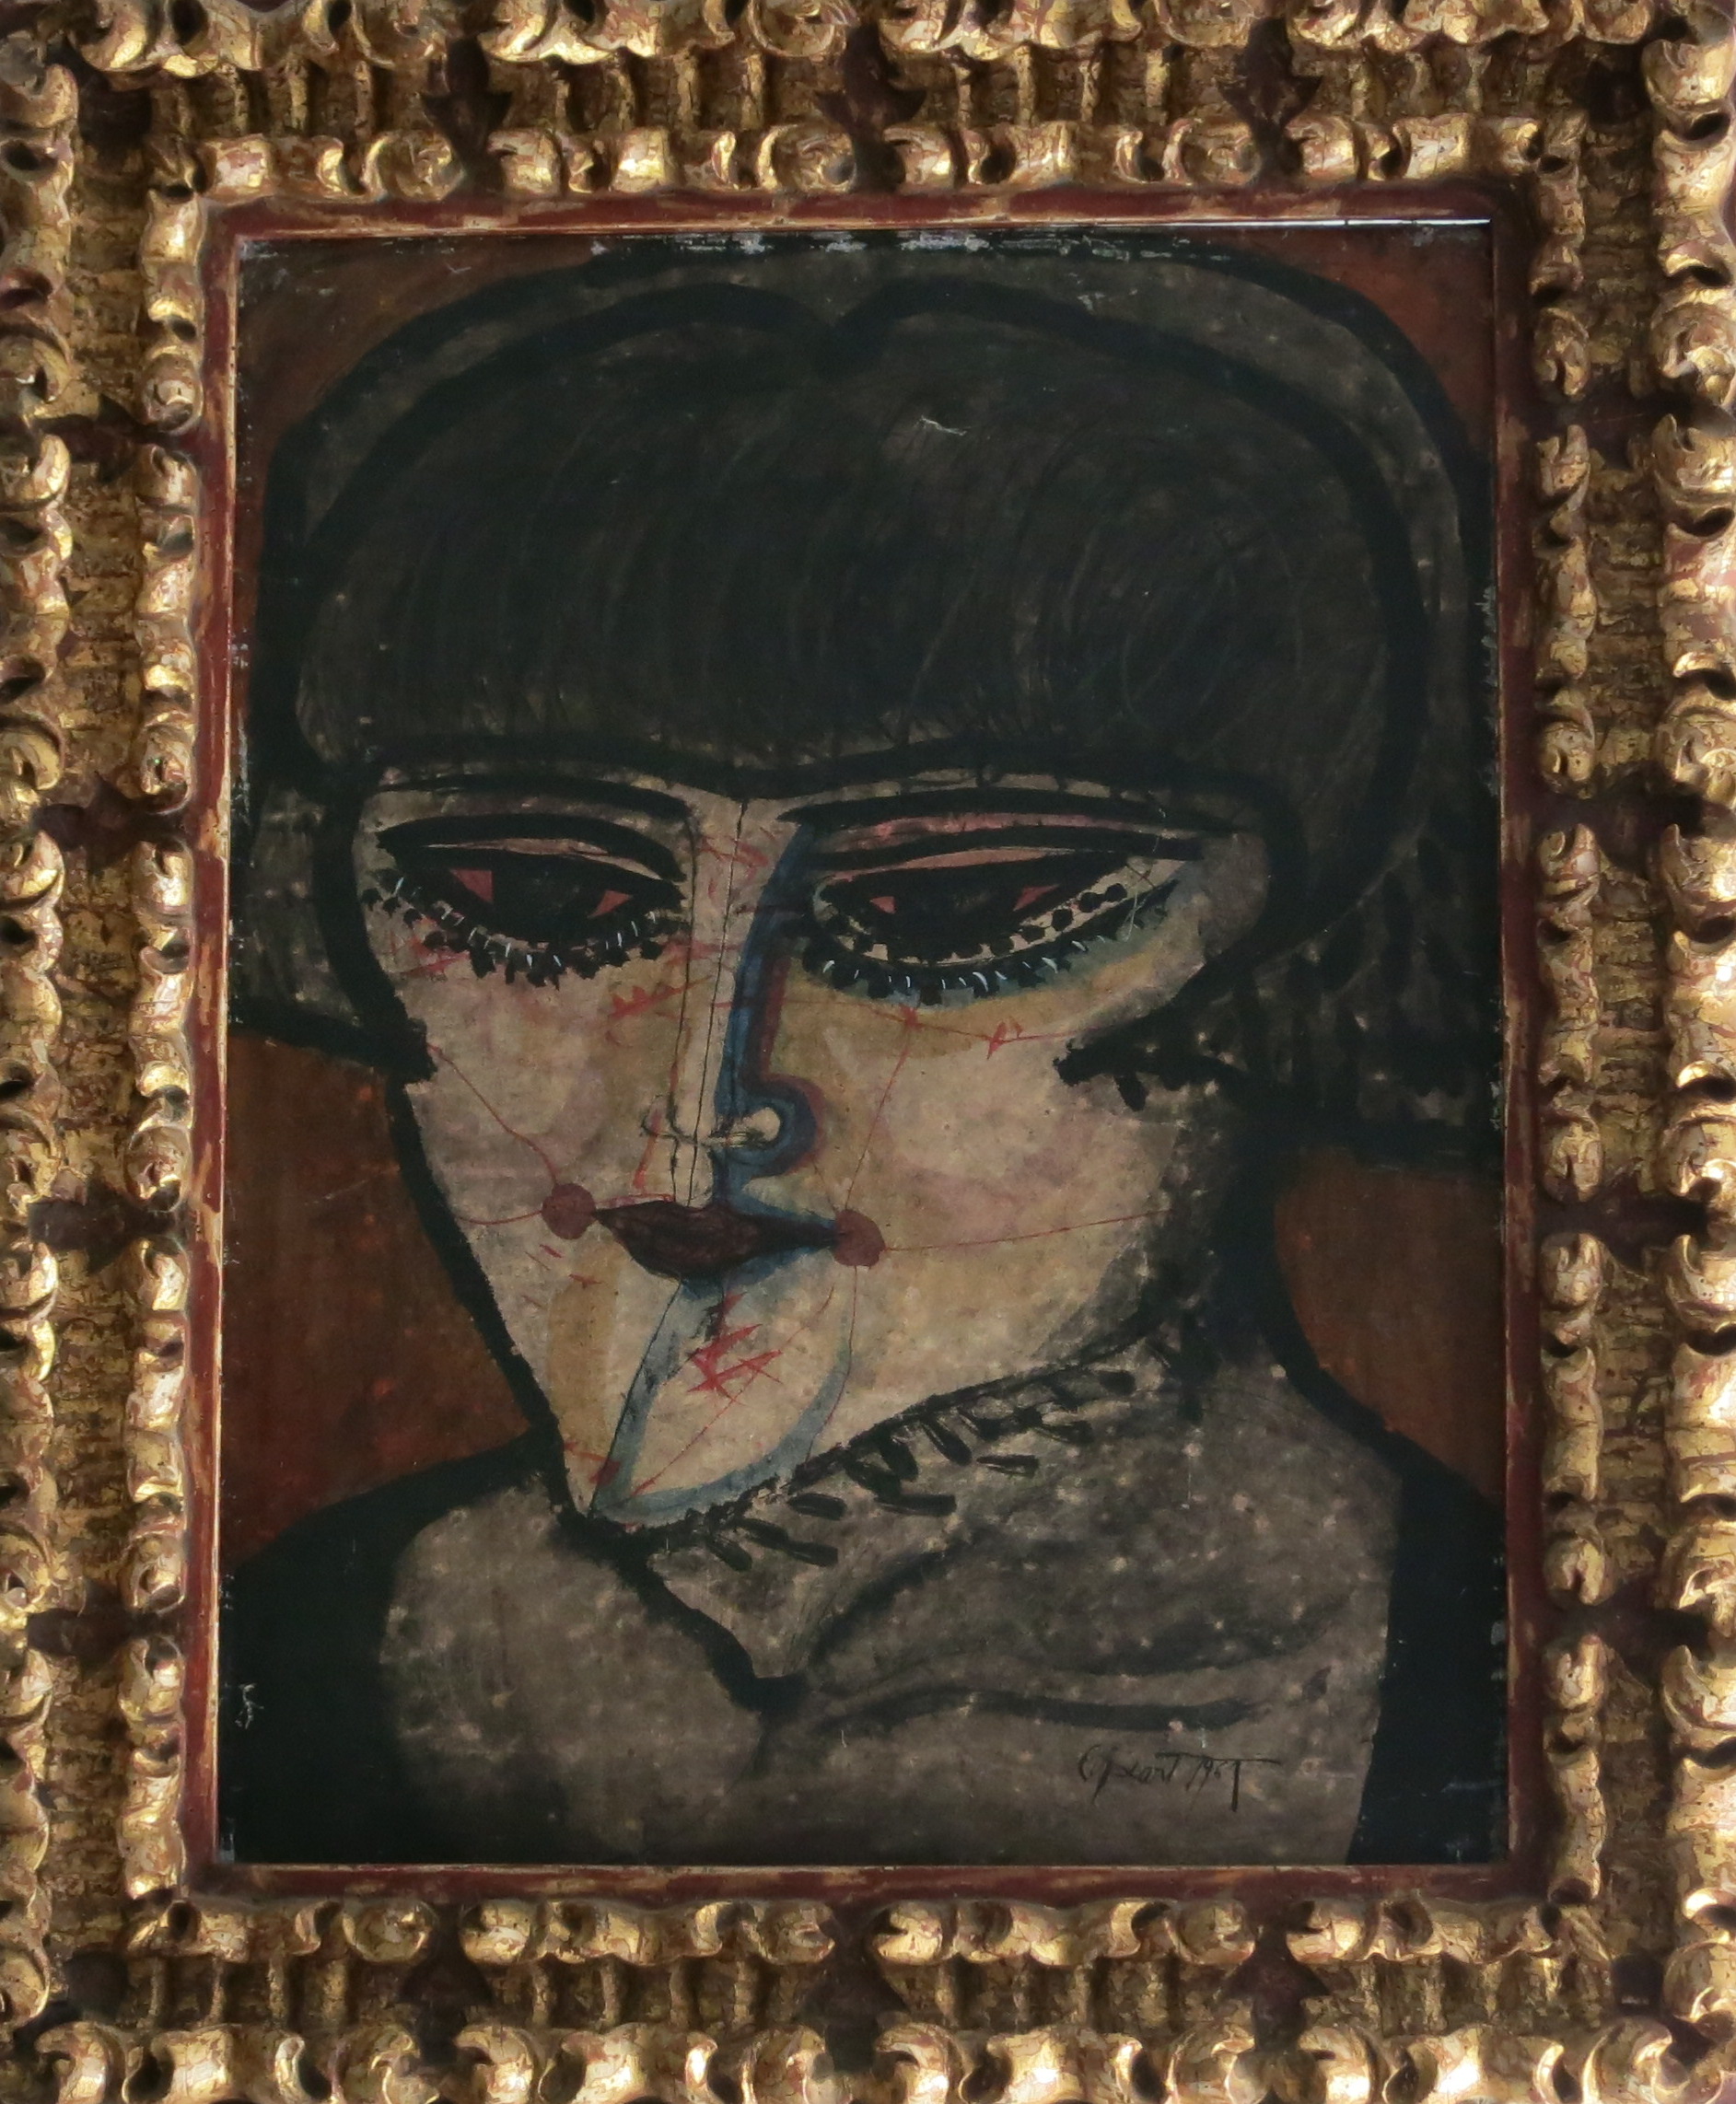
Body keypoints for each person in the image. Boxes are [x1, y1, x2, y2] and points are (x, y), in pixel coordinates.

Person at [221, 236, 1503, 1866]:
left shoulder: (1530, 1693)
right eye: (533, 898)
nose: (707, 1099)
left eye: (957, 909)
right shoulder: (261, 1665)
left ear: (1299, 947)